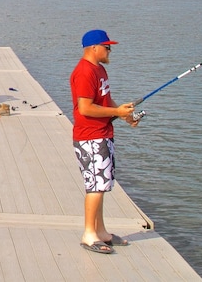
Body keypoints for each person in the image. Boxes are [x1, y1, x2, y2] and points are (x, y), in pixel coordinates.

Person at [71, 29, 139, 255]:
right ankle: (89, 235)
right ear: (94, 48)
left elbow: (106, 100)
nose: (110, 50)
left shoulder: (99, 70)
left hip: (103, 134)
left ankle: (101, 232)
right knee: (95, 187)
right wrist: (116, 111)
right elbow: (85, 107)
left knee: (103, 185)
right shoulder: (84, 72)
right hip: (90, 137)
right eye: (107, 46)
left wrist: (123, 115)